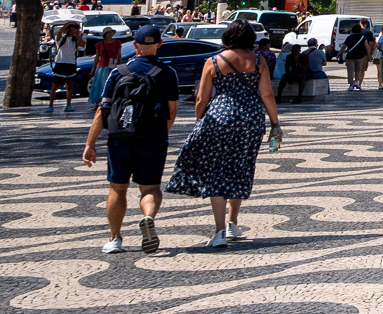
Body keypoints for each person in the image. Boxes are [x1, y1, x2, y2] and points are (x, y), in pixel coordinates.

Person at [167, 20, 282, 247]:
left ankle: (219, 231)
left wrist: (200, 120)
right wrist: (275, 123)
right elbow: (267, 95)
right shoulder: (258, 61)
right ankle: (232, 222)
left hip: (218, 117)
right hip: (250, 119)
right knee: (240, 167)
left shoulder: (213, 61)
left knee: (215, 171)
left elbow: (201, 98)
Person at [81, 26, 180, 255]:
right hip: (153, 139)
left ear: (134, 45)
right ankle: (147, 217)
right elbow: (172, 111)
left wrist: (90, 144)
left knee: (117, 188)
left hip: (119, 139)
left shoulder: (119, 72)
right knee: (151, 189)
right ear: (159, 45)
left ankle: (115, 239)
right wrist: (162, 133)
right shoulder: (167, 73)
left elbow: (102, 110)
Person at [47, 22, 81, 112]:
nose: (75, 29)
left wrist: (77, 34)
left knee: (69, 85)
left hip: (71, 63)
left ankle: (68, 105)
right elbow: (59, 33)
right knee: (55, 84)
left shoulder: (76, 39)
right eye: (73, 28)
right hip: (60, 63)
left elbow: (82, 44)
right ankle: (50, 105)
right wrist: (67, 24)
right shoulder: (62, 39)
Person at [87, 24, 124, 107]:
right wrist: (93, 68)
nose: (110, 34)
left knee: (111, 83)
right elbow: (97, 56)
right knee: (100, 84)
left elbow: (119, 55)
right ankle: (98, 101)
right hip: (102, 65)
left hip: (112, 65)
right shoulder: (99, 44)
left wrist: (120, 65)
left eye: (111, 32)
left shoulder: (117, 43)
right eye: (108, 32)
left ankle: (109, 100)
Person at [342, 20, 373, 91]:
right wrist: (369, 55)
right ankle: (358, 82)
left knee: (351, 70)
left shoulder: (350, 36)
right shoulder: (367, 34)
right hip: (362, 55)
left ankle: (351, 84)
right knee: (360, 70)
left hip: (350, 55)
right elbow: (369, 46)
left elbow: (344, 46)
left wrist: (339, 53)